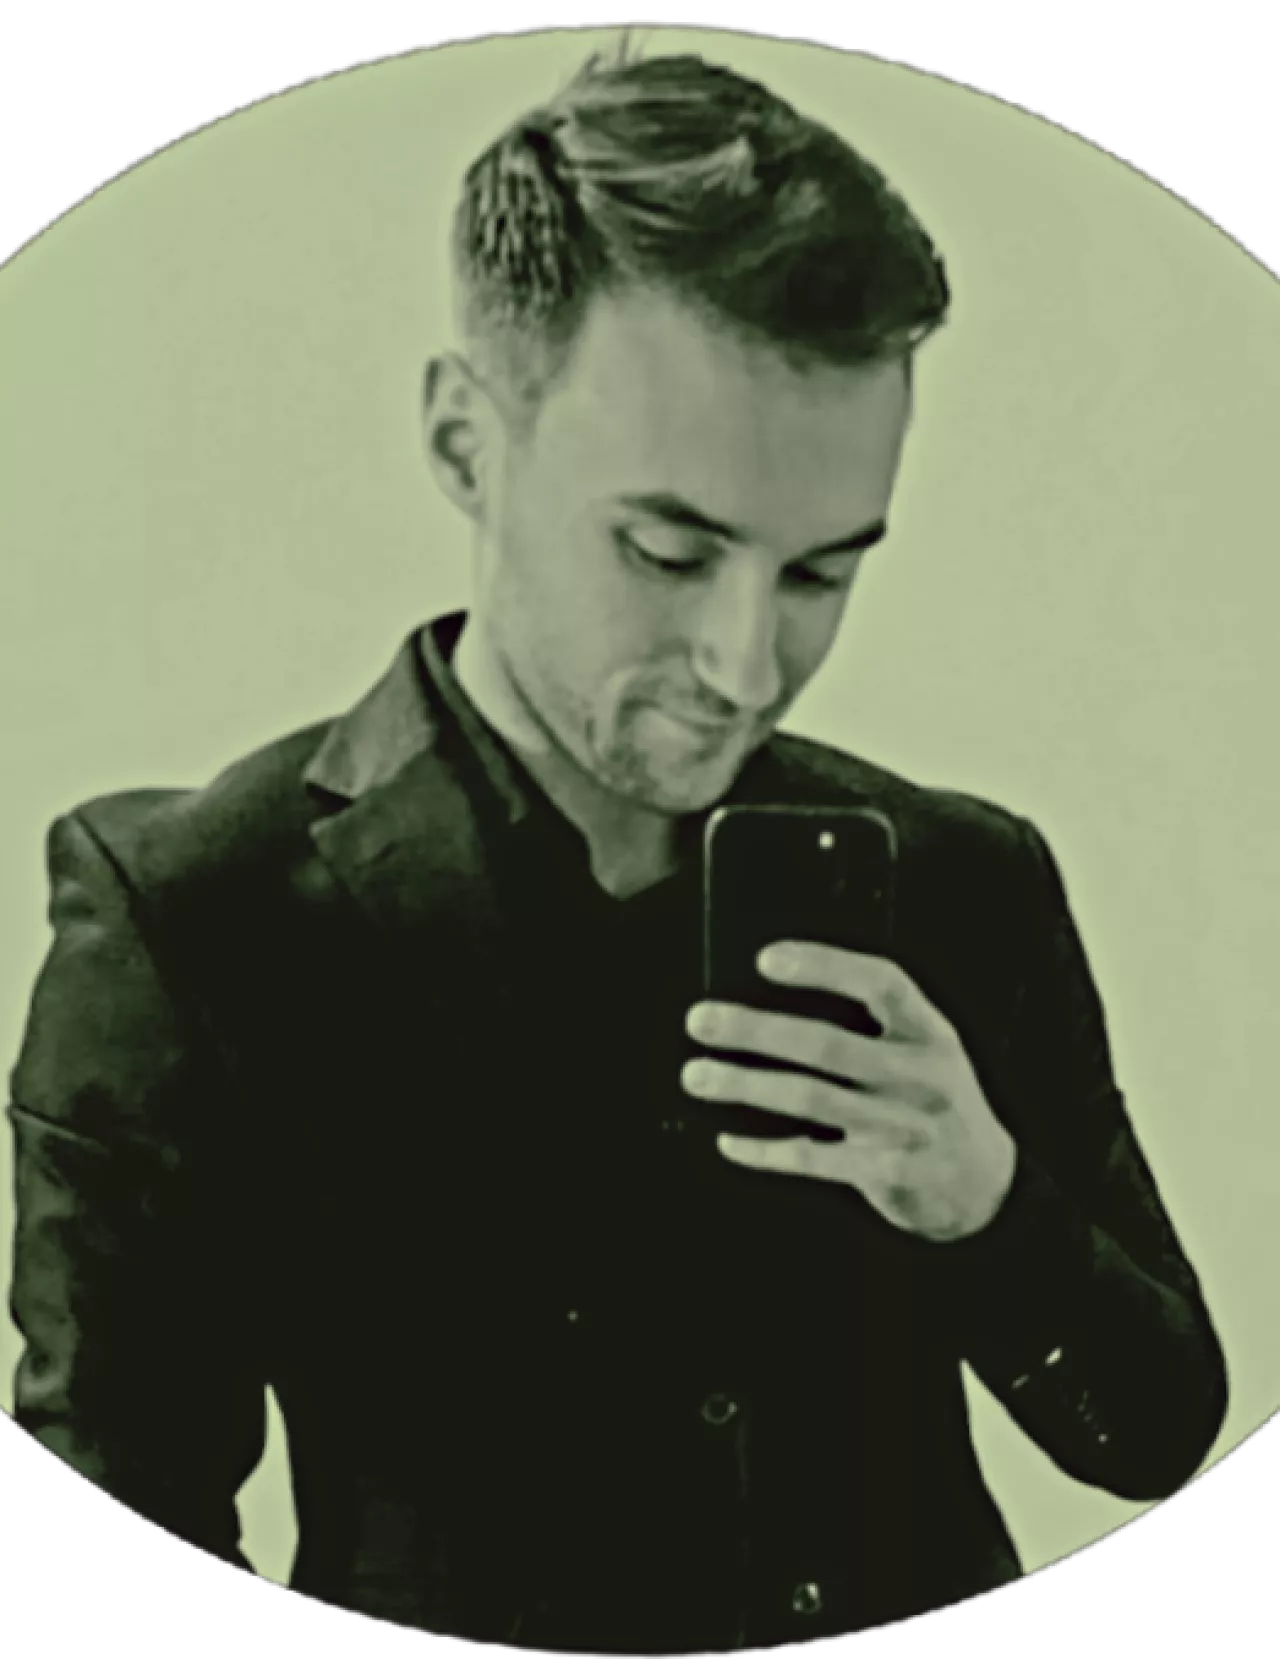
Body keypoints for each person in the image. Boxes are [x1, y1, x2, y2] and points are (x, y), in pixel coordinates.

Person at [6, 46, 1227, 1652]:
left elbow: (1156, 1432)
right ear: (466, 443)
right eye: (668, 548)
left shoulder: (959, 878)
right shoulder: (195, 924)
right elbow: (108, 1553)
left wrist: (987, 1207)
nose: (744, 660)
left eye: (821, 573)